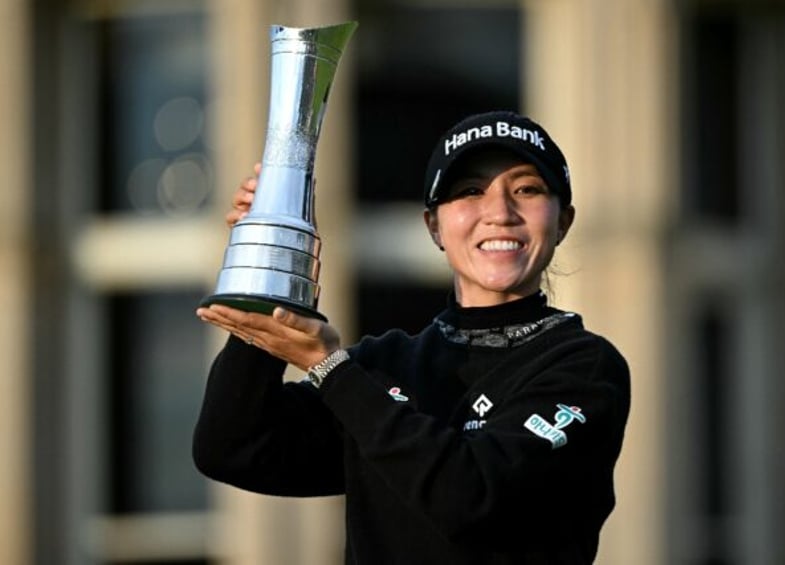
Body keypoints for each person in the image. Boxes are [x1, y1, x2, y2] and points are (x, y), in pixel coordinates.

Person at [193, 110, 630, 564]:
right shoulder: (387, 364)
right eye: (469, 191)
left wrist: (331, 369)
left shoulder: (584, 366)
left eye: (526, 189)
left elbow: (472, 499)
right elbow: (233, 448)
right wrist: (273, 266)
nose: (500, 212)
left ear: (563, 221)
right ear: (434, 226)